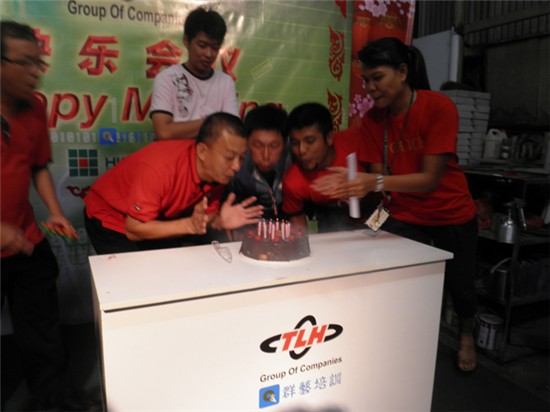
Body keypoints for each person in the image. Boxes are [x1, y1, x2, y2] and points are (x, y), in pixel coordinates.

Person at [312, 37, 479, 372]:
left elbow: (428, 180)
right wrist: (350, 186)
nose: (370, 88)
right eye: (366, 81)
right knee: (393, 274)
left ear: (402, 72)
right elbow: (380, 178)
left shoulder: (439, 107)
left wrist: (371, 182)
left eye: (377, 78)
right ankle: (399, 335)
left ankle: (466, 334)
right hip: (403, 213)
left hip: (451, 213)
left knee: (460, 287)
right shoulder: (373, 120)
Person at [0, 20, 92, 409]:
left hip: (26, 238)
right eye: (24, 63)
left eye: (38, 63)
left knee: (42, 329)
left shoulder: (35, 107)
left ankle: (53, 398)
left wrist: (54, 211)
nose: (34, 73)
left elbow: (37, 166)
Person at [84, 112, 263, 255]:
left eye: (242, 158)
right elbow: (134, 229)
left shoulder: (217, 173)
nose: (236, 166)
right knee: (136, 281)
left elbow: (204, 217)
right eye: (229, 157)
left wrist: (218, 221)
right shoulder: (160, 169)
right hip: (111, 217)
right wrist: (188, 225)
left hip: (155, 218)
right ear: (202, 151)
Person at [282, 102, 377, 233]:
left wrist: (374, 232)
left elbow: (386, 183)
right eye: (294, 142)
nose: (301, 150)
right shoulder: (293, 182)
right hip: (332, 232)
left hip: (379, 221)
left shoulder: (357, 140)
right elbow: (299, 230)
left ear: (329, 137)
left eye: (310, 141)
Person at [150, 6, 239, 140]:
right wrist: (214, 122)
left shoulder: (225, 83)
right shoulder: (167, 78)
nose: (209, 54)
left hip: (212, 154)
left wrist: (182, 128)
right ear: (186, 41)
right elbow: (163, 132)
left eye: (215, 48)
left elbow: (231, 132)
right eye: (202, 45)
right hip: (176, 153)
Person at [224, 104, 292, 225]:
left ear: (285, 142)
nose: (266, 155)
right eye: (258, 145)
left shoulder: (296, 158)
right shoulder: (233, 167)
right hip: (249, 220)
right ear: (246, 142)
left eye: (274, 145)